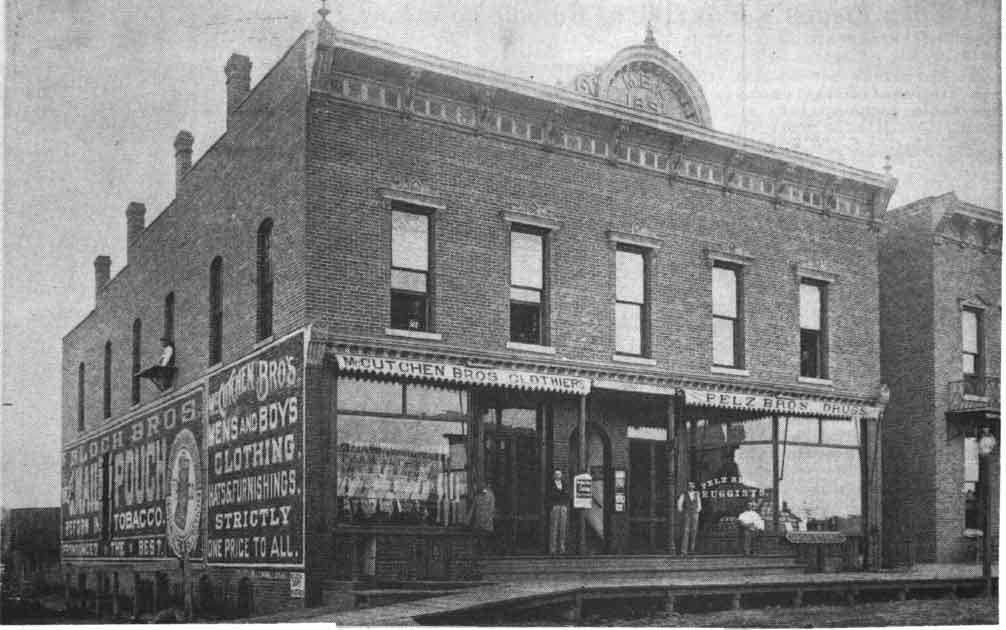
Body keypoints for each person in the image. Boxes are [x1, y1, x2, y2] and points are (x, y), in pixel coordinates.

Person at [468, 483, 496, 554]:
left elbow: (492, 509)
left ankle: (484, 550)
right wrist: (467, 521)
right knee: (481, 536)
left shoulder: (489, 495)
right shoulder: (477, 496)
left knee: (485, 536)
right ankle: (482, 550)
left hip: (486, 522)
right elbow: (473, 509)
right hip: (480, 522)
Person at [547, 469, 570, 554]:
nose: (557, 475)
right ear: (554, 475)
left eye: (559, 474)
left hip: (563, 507)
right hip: (555, 506)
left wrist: (564, 504)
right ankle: (552, 549)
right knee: (554, 527)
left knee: (562, 528)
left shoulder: (564, 484)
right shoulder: (551, 484)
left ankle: (562, 548)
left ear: (561, 475)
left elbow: (567, 495)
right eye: (556, 474)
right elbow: (551, 495)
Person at [677, 481, 702, 555]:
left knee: (694, 531)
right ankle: (684, 551)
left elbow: (699, 503)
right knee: (686, 531)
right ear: (687, 486)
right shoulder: (684, 494)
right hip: (687, 513)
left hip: (695, 513)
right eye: (689, 485)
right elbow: (679, 503)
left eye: (692, 485)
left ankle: (692, 549)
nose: (691, 486)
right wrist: (681, 510)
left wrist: (698, 510)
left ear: (694, 486)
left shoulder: (697, 494)